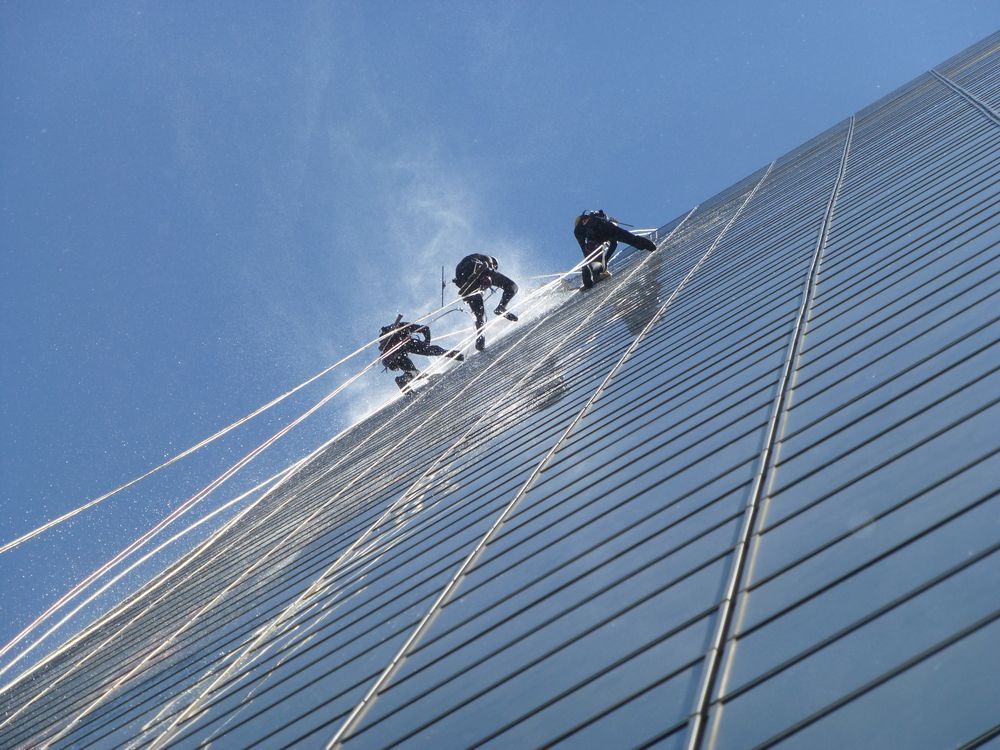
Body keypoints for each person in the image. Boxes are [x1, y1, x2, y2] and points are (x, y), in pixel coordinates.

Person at [574, 210, 657, 288]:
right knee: (632, 239)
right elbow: (614, 243)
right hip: (610, 229)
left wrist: (603, 262)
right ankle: (650, 246)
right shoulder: (596, 217)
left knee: (592, 257)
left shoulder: (578, 231)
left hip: (598, 237)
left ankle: (595, 276)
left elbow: (586, 252)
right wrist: (606, 259)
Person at [378, 315, 464, 391]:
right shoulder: (403, 328)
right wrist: (426, 344)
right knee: (429, 351)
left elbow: (425, 329)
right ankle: (452, 354)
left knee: (411, 371)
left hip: (394, 353)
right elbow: (425, 329)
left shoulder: (387, 341)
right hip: (404, 344)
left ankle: (404, 379)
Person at [452, 253, 519, 351]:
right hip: (476, 269)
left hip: (462, 277)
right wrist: (489, 271)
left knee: (480, 315)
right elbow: (488, 263)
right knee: (512, 287)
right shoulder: (487, 259)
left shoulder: (467, 260)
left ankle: (480, 336)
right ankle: (501, 307)